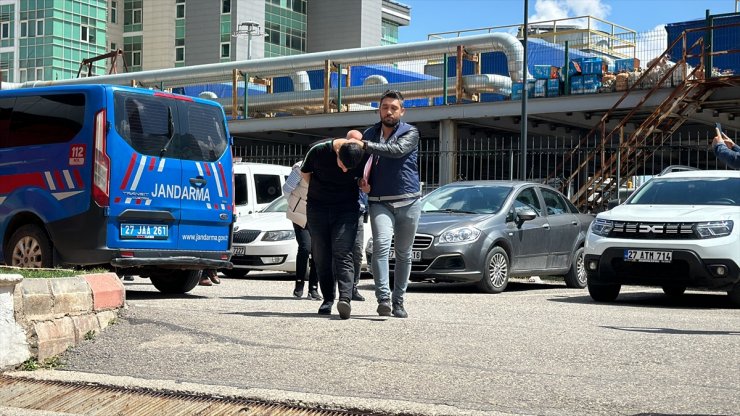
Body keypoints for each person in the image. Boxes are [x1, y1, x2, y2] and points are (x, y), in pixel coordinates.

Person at [353, 89, 421, 319]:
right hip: (379, 200)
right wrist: (361, 179)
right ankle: (383, 298)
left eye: (394, 108)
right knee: (381, 247)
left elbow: (396, 151)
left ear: (402, 111)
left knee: (403, 253)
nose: (389, 112)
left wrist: (366, 145)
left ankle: (398, 301)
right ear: (379, 109)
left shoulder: (410, 132)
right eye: (385, 107)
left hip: (409, 201)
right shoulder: (369, 133)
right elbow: (359, 163)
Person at [301, 131, 367, 319]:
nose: (345, 171)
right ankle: (328, 299)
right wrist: (320, 190)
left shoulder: (363, 153)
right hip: (318, 207)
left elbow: (366, 177)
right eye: (343, 165)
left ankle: (345, 298)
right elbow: (305, 173)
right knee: (321, 254)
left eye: (349, 168)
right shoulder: (318, 150)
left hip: (347, 209)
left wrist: (362, 183)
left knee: (343, 251)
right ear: (338, 152)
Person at [283, 161, 322, 300]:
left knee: (318, 251)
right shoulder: (300, 167)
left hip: (318, 214)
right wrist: (295, 204)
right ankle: (299, 285)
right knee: (305, 247)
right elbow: (287, 189)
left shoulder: (328, 167)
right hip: (300, 213)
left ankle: (313, 288)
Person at [350, 191, 368, 302]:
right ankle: (333, 288)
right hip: (342, 209)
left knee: (357, 252)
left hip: (359, 212)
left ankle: (353, 287)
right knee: (339, 252)